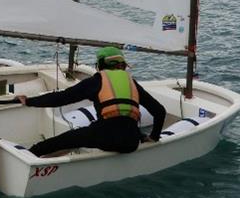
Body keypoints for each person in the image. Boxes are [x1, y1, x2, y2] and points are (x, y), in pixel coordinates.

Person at [16, 46, 166, 157]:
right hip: (131, 142)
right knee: (122, 128)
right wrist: (153, 137)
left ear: (100, 64)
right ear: (122, 65)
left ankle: (30, 155)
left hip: (105, 137)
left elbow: (61, 98)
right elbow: (160, 111)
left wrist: (28, 101)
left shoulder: (97, 81)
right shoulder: (132, 83)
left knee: (57, 142)